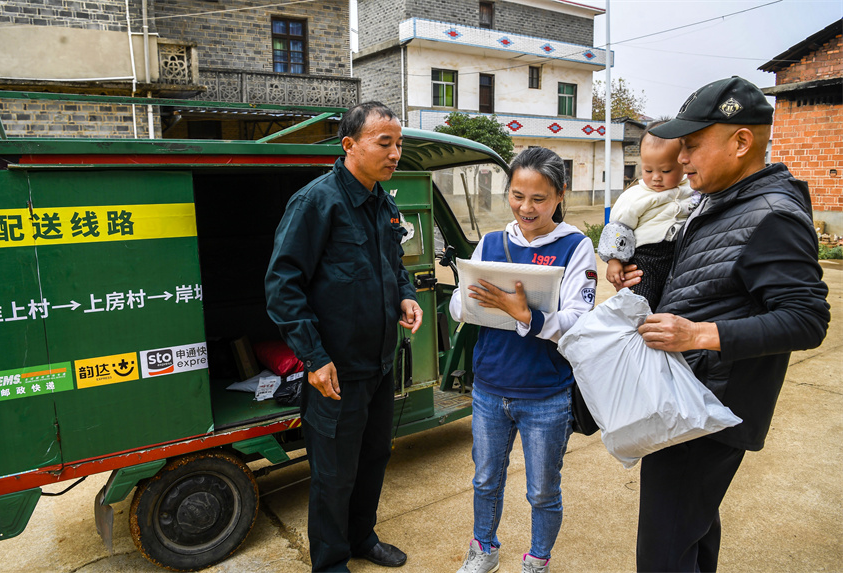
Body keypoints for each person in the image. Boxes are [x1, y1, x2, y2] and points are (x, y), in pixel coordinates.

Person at [624, 76, 830, 572]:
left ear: (740, 142)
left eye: (692, 146)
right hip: (690, 398)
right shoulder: (719, 200)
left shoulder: (771, 215)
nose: (682, 159)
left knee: (664, 554)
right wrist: (643, 272)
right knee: (690, 533)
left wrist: (697, 335)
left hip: (709, 410)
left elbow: (807, 318)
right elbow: (705, 277)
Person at [265, 101, 423, 572]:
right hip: (335, 370)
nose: (395, 153)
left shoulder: (383, 202)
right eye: (385, 143)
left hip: (377, 363)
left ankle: (361, 539)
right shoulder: (317, 202)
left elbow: (393, 268)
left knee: (373, 457)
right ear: (350, 145)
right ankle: (331, 563)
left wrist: (405, 297)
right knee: (333, 475)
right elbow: (282, 285)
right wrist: (313, 358)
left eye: (399, 144)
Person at [449, 147, 598, 573]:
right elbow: (459, 304)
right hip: (490, 388)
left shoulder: (575, 246)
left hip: (546, 394)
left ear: (559, 195)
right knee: (485, 479)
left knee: (542, 489)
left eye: (538, 198)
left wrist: (525, 316)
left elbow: (577, 320)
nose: (525, 208)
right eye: (517, 195)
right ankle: (484, 550)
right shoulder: (492, 243)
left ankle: (537, 560)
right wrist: (471, 303)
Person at [598, 120, 699, 310]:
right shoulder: (635, 196)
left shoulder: (690, 189)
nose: (656, 177)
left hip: (680, 255)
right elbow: (618, 228)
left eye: (666, 170)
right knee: (640, 302)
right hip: (646, 260)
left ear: (683, 163)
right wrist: (614, 260)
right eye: (648, 170)